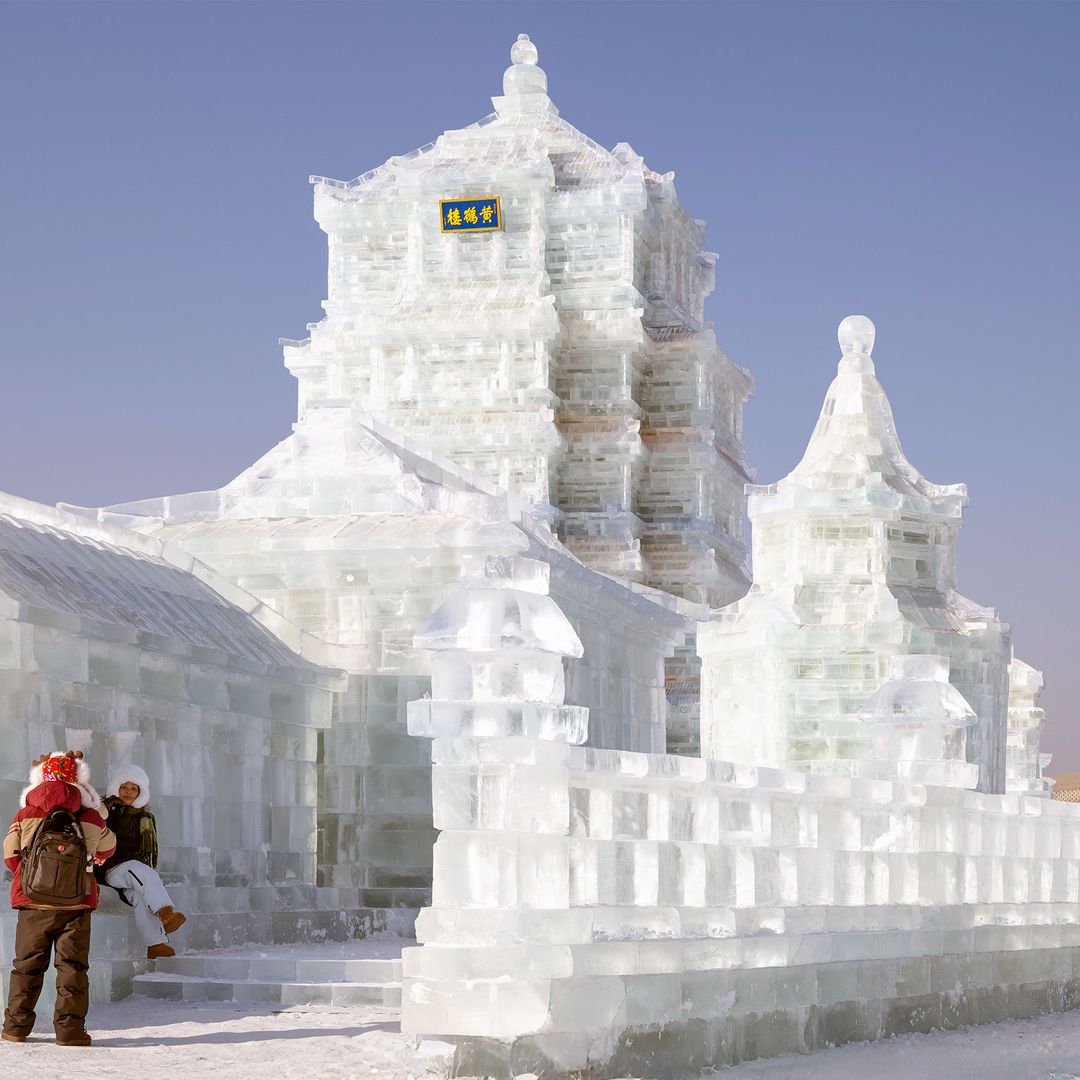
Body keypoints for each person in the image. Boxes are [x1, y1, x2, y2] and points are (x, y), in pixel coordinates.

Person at [3, 750, 115, 1047]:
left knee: (26, 965)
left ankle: (15, 1028)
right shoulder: (89, 815)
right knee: (73, 967)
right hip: (76, 903)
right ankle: (70, 1033)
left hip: (32, 903)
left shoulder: (26, 813)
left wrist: (30, 879)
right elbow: (108, 849)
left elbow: (10, 854)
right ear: (77, 780)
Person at [97, 764, 186, 960]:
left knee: (139, 897)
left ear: (140, 792)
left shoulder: (145, 816)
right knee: (141, 871)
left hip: (131, 871)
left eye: (134, 788)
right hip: (111, 868)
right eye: (124, 787)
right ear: (116, 788)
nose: (128, 792)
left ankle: (156, 945)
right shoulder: (107, 810)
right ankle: (166, 914)